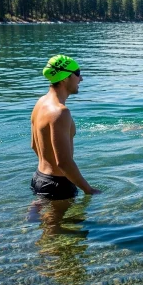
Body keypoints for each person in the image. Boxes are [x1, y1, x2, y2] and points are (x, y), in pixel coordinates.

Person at [31, 54, 101, 199]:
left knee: (43, 221)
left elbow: (34, 145)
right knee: (67, 222)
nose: (81, 78)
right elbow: (63, 162)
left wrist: (47, 173)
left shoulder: (40, 103)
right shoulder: (60, 112)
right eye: (77, 73)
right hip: (57, 185)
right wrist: (89, 190)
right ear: (64, 78)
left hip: (39, 177)